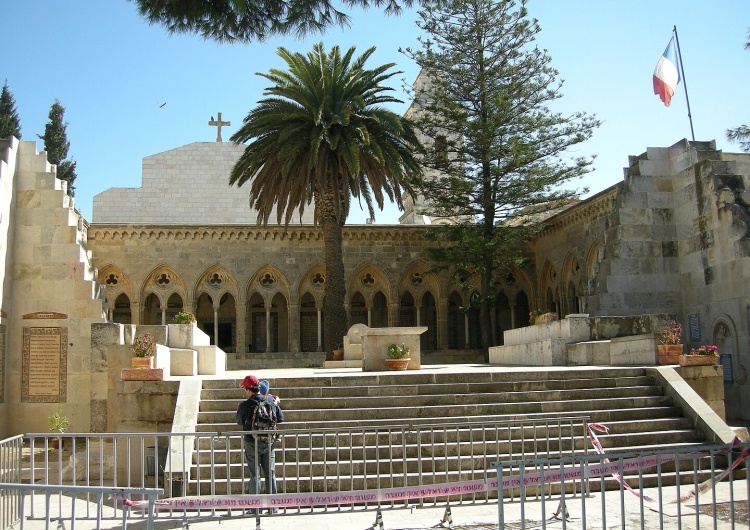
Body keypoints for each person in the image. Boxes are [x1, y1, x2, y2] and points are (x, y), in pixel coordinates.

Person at [236, 375, 284, 510]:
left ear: (247, 390)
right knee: (270, 473)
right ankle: (272, 506)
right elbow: (280, 418)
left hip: (252, 442)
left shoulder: (245, 405)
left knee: (255, 474)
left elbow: (239, 422)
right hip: (269, 443)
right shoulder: (270, 400)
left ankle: (255, 507)